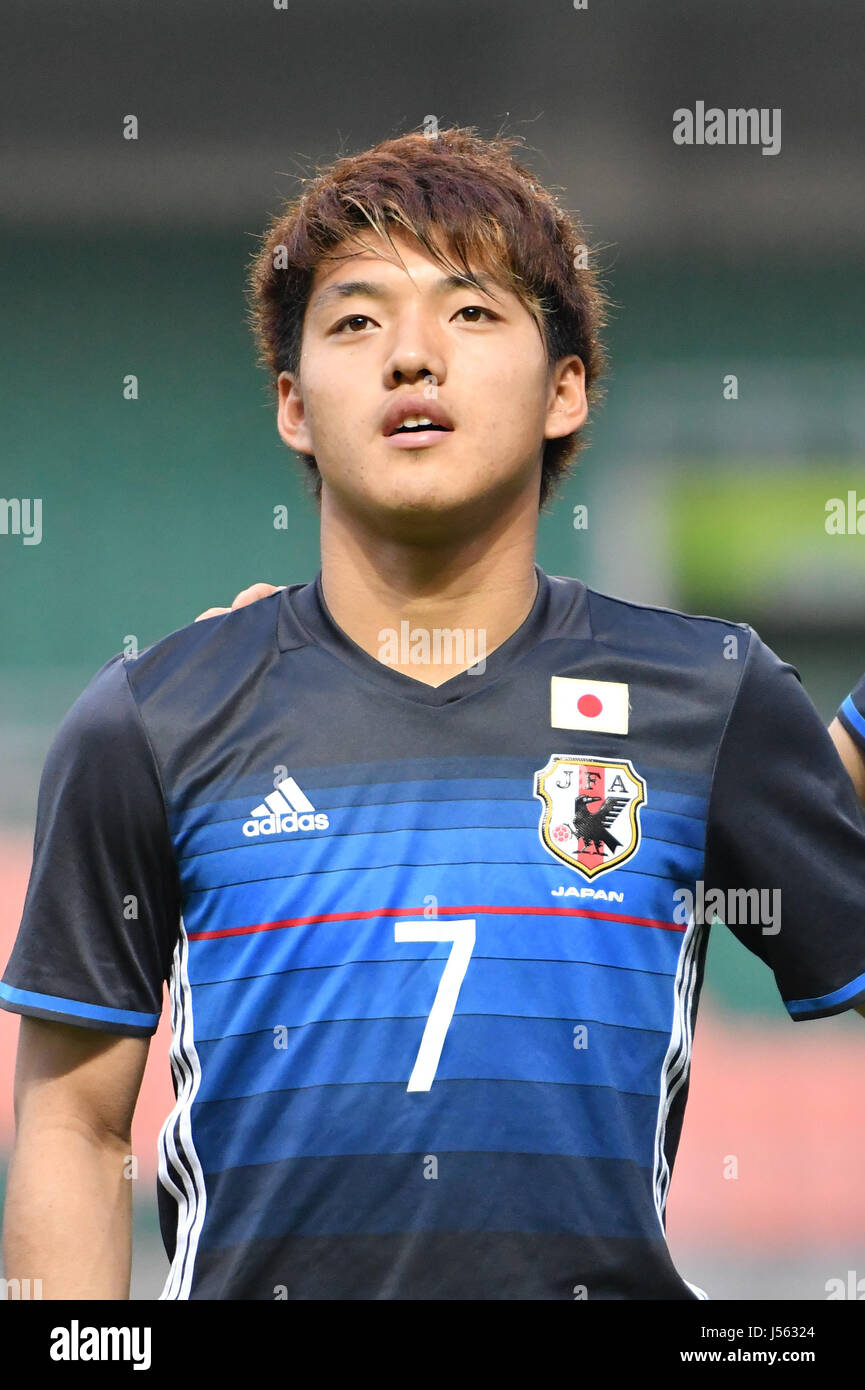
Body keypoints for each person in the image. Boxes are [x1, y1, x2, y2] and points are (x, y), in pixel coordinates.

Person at [3, 127, 865, 1302]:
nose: (411, 356)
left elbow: (822, 864)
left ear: (565, 389)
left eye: (470, 312)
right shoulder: (153, 720)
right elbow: (74, 1130)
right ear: (294, 406)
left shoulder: (708, 697)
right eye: (355, 320)